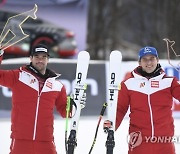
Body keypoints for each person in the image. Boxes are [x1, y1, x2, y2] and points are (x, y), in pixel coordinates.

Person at [0, 44, 86, 154]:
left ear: (48, 59)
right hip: (21, 141)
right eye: (36, 56)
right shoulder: (18, 76)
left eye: (43, 57)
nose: (40, 60)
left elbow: (66, 113)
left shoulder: (57, 85)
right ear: (30, 58)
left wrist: (76, 104)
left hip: (46, 141)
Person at [104, 46, 180, 154]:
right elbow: (120, 109)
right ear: (139, 62)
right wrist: (111, 124)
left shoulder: (169, 82)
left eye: (152, 58)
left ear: (157, 60)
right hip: (139, 144)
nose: (149, 62)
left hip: (165, 144)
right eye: (145, 59)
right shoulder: (128, 84)